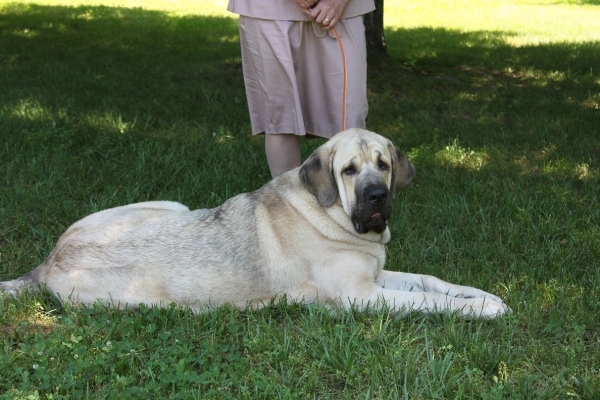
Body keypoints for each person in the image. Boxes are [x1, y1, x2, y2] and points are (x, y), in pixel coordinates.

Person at [227, 0, 376, 178]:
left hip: (343, 10)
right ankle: (289, 203)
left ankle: (350, 203)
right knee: (282, 118)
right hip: (267, 8)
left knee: (350, 119)